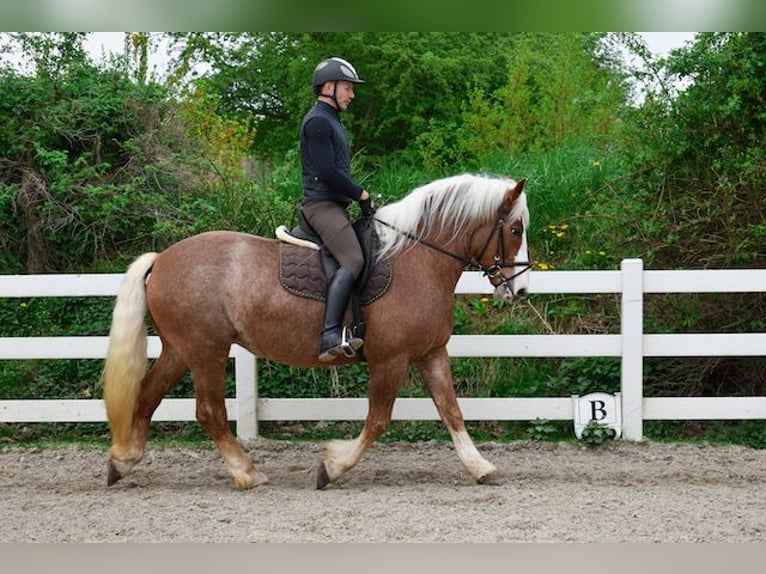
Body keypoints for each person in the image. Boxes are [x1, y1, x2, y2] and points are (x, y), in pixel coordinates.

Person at [299, 57, 375, 362]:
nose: (352, 95)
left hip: (335, 206)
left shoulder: (331, 119)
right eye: (347, 88)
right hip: (322, 207)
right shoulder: (318, 121)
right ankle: (330, 333)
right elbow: (328, 172)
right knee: (354, 259)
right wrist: (361, 194)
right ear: (328, 87)